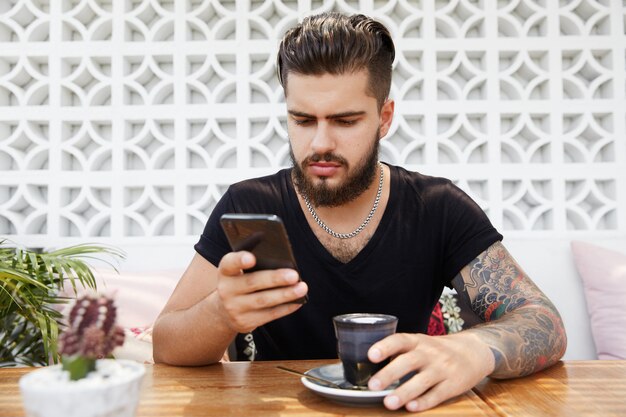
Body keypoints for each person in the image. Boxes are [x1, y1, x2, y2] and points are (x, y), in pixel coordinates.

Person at [153, 12, 567, 412]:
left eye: (345, 121)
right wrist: (219, 313)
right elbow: (166, 345)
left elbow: (544, 322)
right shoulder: (249, 204)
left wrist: (474, 350)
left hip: (401, 406)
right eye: (301, 120)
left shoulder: (437, 207)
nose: (319, 143)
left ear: (384, 118)